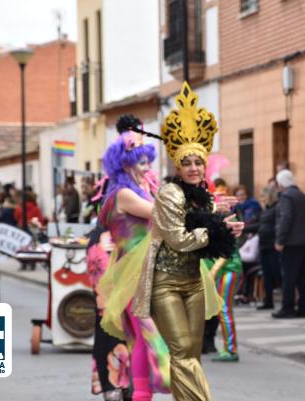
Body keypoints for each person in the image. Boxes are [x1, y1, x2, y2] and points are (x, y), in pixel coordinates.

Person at [106, 82, 243, 401]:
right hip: (163, 282)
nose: (194, 168)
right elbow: (180, 238)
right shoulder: (168, 192)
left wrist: (226, 227)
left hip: (193, 281)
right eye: (187, 163)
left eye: (198, 162)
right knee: (178, 351)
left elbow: (204, 227)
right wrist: (215, 230)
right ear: (177, 166)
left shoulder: (202, 196)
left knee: (189, 356)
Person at [89, 115, 170, 401]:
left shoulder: (144, 186)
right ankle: (160, 379)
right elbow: (160, 214)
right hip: (130, 271)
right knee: (144, 335)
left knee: (136, 339)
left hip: (146, 267)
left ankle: (141, 393)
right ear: (124, 161)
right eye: (140, 160)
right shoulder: (121, 192)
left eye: (148, 159)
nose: (146, 166)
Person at [272, 169, 305, 318]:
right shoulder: (303, 196)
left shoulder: (286, 196)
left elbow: (286, 218)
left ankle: (287, 308)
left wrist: (280, 240)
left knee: (289, 277)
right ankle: (304, 308)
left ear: (281, 184)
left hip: (290, 244)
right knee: (302, 277)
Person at [233, 184, 262, 303]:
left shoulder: (253, 206)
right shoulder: (234, 208)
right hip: (238, 241)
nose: (241, 197)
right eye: (238, 195)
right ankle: (240, 293)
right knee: (239, 267)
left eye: (243, 194)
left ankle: (246, 294)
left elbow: (255, 223)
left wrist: (242, 228)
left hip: (250, 241)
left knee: (247, 268)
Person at [256, 184, 281, 310]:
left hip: (272, 246)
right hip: (264, 245)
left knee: (276, 273)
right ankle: (268, 301)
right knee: (267, 275)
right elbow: (260, 226)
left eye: (263, 196)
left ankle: (288, 300)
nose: (262, 198)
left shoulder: (276, 208)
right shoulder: (267, 209)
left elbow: (276, 226)